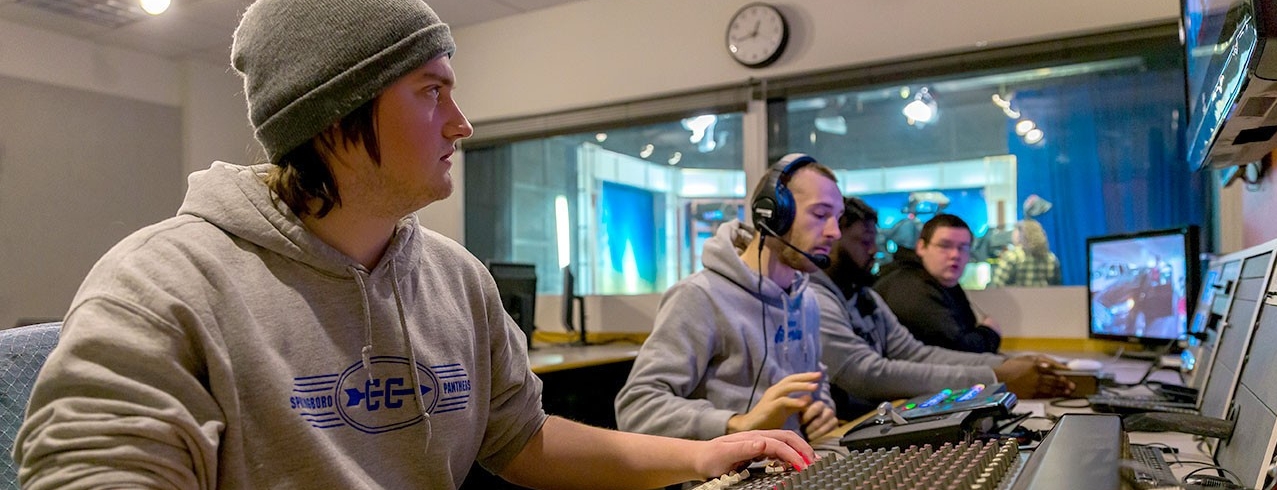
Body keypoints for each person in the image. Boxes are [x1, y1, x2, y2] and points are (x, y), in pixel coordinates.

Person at [12, 1, 815, 488]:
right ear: (333, 115)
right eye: (432, 91)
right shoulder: (161, 283)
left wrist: (704, 454)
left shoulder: (452, 278)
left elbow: (523, 439)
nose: (461, 125)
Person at [615, 154, 842, 444]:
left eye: (838, 218)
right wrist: (737, 424)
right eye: (821, 214)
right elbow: (636, 408)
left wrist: (820, 408)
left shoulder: (807, 300)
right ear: (772, 213)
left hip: (794, 464)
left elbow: (813, 380)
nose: (834, 231)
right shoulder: (700, 296)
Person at [813, 198, 1073, 419]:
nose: (873, 250)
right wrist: (996, 374)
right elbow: (866, 374)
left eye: (962, 248)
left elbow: (916, 353)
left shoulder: (865, 295)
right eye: (862, 241)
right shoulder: (820, 297)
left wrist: (1011, 364)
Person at [874, 213, 1001, 353]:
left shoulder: (942, 284)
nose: (955, 255)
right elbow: (957, 351)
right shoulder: (911, 288)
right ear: (921, 247)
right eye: (945, 246)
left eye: (963, 247)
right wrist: (989, 332)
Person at [990, 219, 1062, 287]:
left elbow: (997, 284)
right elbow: (1056, 287)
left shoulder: (1013, 256)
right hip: (1043, 299)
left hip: (1017, 299)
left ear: (1020, 235)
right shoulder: (1051, 258)